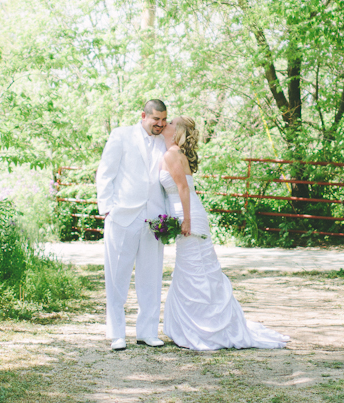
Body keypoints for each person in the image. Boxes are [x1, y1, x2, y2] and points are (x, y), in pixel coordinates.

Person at [160, 116, 289, 350]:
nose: (165, 125)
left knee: (194, 270)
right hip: (187, 213)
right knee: (196, 270)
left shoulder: (172, 154)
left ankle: (206, 328)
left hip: (188, 215)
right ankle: (205, 323)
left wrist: (186, 220)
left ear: (177, 131)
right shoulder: (174, 153)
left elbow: (182, 188)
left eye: (170, 123)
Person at [95, 99, 169, 351]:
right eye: (155, 119)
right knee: (117, 276)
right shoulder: (121, 135)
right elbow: (106, 172)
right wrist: (107, 209)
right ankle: (117, 333)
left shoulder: (166, 141)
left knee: (151, 277)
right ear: (144, 116)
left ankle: (147, 332)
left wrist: (168, 215)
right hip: (122, 216)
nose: (160, 124)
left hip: (154, 219)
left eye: (163, 119)